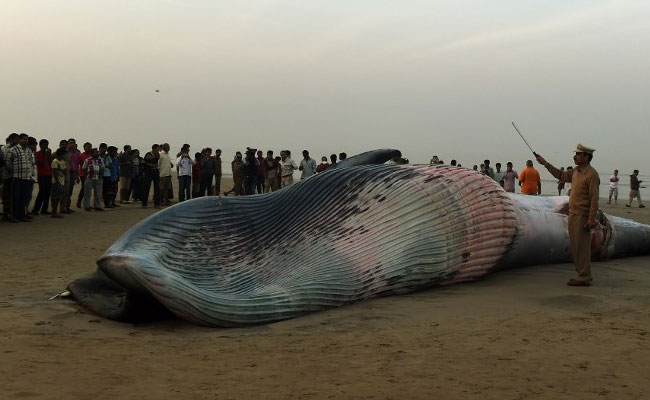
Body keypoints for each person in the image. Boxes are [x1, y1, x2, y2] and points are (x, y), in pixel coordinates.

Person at [536, 144, 599, 286]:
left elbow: (594, 198)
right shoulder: (576, 171)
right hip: (573, 213)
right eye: (575, 154)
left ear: (586, 157)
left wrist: (591, 218)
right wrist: (545, 163)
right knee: (576, 246)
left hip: (582, 215)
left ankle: (584, 276)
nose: (575, 157)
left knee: (582, 247)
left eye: (578, 154)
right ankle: (583, 273)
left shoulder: (592, 175)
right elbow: (561, 175)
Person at [6, 134, 32, 222]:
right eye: (24, 139)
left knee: (23, 198)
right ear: (19, 140)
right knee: (15, 198)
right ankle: (13, 216)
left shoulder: (28, 150)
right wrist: (12, 171)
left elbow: (31, 162)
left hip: (26, 178)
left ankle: (21, 216)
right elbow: (8, 162)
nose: (26, 141)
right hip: (17, 177)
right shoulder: (13, 149)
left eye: (27, 139)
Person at [32, 139, 53, 215]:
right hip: (42, 176)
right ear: (40, 146)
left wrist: (49, 155)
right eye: (44, 145)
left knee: (47, 193)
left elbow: (50, 163)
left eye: (47, 145)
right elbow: (41, 164)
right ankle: (35, 210)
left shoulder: (47, 153)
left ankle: (44, 209)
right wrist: (46, 155)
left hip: (49, 175)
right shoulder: (37, 153)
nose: (46, 146)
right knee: (41, 193)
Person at [1, 133, 19, 221]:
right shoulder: (4, 149)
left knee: (13, 196)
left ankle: (11, 214)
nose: (17, 141)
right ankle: (7, 215)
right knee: (6, 197)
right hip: (5, 176)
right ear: (11, 139)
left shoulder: (17, 149)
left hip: (15, 175)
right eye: (16, 139)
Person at [50, 148, 68, 218]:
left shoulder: (62, 161)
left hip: (61, 181)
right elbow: (54, 171)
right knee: (55, 197)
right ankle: (53, 212)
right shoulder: (55, 161)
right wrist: (57, 181)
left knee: (58, 197)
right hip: (56, 181)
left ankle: (55, 212)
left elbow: (64, 170)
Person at [141, 144, 161, 208]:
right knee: (146, 188)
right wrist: (145, 171)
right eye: (158, 148)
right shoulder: (148, 154)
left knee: (157, 188)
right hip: (148, 173)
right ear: (154, 148)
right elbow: (144, 163)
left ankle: (157, 204)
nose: (158, 150)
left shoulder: (158, 155)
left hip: (155, 172)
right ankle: (144, 204)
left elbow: (158, 162)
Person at [66, 138, 81, 212]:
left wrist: (77, 176)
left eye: (73, 143)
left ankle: (67, 206)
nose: (72, 144)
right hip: (65, 172)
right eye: (70, 143)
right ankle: (63, 207)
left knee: (70, 190)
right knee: (65, 190)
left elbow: (77, 165)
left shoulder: (77, 153)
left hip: (73, 172)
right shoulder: (65, 152)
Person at [76, 142, 92, 208]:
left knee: (89, 189)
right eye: (87, 147)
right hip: (83, 174)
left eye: (89, 147)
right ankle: (79, 201)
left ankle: (87, 203)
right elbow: (78, 165)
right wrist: (77, 175)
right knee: (84, 188)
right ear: (84, 148)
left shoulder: (92, 155)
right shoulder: (81, 155)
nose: (88, 148)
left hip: (91, 174)